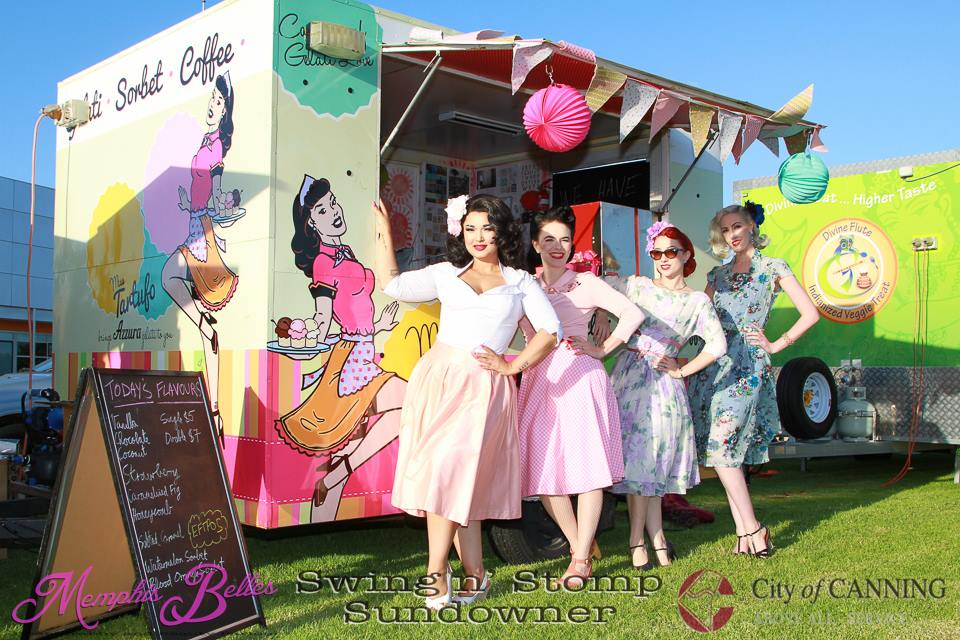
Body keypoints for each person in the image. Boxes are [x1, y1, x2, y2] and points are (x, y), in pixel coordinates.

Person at [373, 194, 560, 609]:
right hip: (438, 380)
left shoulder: (520, 282)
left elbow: (550, 331)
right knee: (449, 475)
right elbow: (393, 285)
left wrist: (513, 366)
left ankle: (436, 571)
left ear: (502, 232)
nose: (478, 237)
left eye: (487, 228)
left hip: (483, 388)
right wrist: (385, 233)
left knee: (454, 473)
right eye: (470, 228)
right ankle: (474, 575)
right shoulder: (445, 273)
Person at [517, 206, 644, 587]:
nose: (558, 247)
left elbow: (632, 314)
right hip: (539, 379)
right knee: (543, 474)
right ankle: (579, 550)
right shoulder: (524, 284)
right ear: (535, 244)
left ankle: (580, 559)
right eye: (549, 239)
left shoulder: (585, 282)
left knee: (588, 471)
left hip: (579, 376)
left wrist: (603, 349)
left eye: (565, 240)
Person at [688, 203, 819, 558]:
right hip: (713, 364)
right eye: (724, 229)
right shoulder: (716, 275)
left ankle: (753, 528)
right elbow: (698, 320)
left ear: (752, 228)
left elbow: (810, 314)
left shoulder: (773, 267)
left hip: (748, 364)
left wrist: (776, 344)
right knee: (723, 449)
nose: (731, 234)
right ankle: (744, 534)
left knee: (722, 442)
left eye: (737, 226)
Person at [279, 175, 406, 523]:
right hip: (351, 361)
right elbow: (324, 315)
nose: (334, 211)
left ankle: (334, 477)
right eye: (322, 210)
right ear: (311, 223)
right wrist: (308, 333)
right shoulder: (323, 262)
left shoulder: (346, 251)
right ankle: (338, 473)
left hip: (364, 351)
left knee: (361, 431)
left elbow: (354, 310)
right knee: (408, 403)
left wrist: (378, 326)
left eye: (333, 203)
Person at [603, 222, 726, 571]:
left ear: (686, 255)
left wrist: (682, 370)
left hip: (664, 387)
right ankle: (640, 542)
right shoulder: (637, 286)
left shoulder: (697, 301)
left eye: (671, 251)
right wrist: (599, 320)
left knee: (653, 465)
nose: (663, 258)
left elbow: (717, 345)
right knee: (638, 463)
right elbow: (595, 289)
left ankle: (652, 540)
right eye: (656, 253)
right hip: (628, 380)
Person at [161, 72, 238, 442]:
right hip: (194, 223)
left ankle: (216, 408)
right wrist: (186, 202)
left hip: (201, 229)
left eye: (219, 102)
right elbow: (203, 188)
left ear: (225, 112)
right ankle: (215, 409)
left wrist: (220, 203)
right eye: (212, 98)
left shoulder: (217, 147)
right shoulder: (206, 142)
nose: (212, 105)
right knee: (170, 278)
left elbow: (217, 188)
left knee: (169, 277)